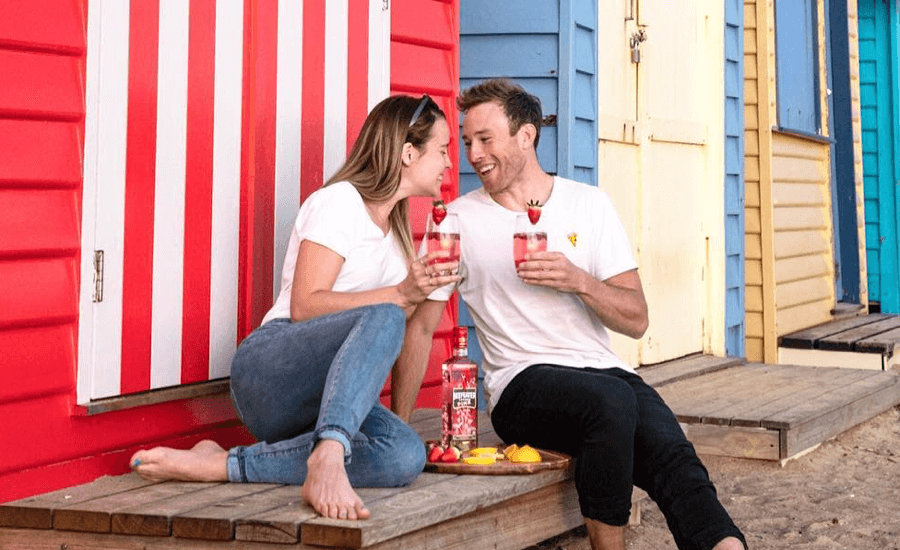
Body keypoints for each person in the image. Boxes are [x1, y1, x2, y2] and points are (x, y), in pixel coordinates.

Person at [391, 79, 747, 550]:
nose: (473, 154)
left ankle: (726, 545)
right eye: (466, 140)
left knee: (672, 453)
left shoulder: (588, 204)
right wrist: (396, 430)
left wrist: (579, 280)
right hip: (522, 384)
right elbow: (420, 327)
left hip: (606, 373)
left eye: (485, 139)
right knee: (610, 404)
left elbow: (636, 319)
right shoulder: (456, 221)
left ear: (526, 136)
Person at [129, 94, 460, 521]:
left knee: (403, 455)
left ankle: (224, 463)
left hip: (323, 408)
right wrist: (399, 295)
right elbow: (306, 305)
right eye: (443, 149)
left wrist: (429, 295)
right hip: (270, 373)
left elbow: (407, 334)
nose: (450, 163)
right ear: (407, 153)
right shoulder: (340, 203)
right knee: (386, 313)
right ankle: (328, 456)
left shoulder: (398, 240)